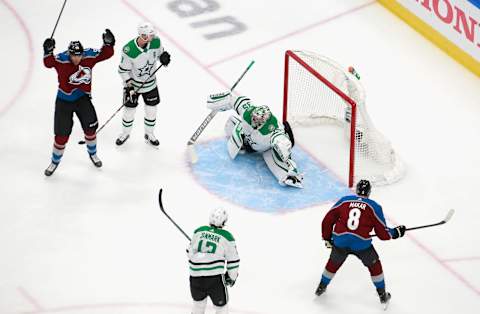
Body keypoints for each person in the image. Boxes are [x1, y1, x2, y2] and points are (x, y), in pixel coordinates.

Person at [315, 179, 406, 309]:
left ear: (356, 190)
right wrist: (396, 232)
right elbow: (383, 234)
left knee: (333, 263)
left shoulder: (344, 201)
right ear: (369, 192)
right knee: (375, 266)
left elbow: (327, 220)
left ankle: (321, 288)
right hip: (361, 244)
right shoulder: (374, 206)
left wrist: (327, 238)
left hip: (340, 240)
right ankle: (382, 296)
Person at [42, 29, 115, 176]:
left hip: (82, 98)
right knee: (61, 136)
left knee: (90, 128)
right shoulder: (62, 59)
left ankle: (93, 154)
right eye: (74, 55)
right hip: (64, 100)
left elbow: (105, 54)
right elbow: (48, 63)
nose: (77, 58)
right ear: (69, 53)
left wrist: (108, 43)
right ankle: (54, 162)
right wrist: (47, 50)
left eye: (79, 55)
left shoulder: (88, 56)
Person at [206, 92, 303, 188]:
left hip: (264, 147)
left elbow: (283, 145)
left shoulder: (272, 131)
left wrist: (291, 167)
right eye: (254, 119)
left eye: (258, 121)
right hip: (248, 139)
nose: (255, 122)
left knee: (271, 157)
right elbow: (232, 99)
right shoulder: (248, 111)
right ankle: (243, 143)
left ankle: (287, 176)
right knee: (230, 124)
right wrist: (217, 101)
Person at [116, 22, 171, 146]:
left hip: (150, 84)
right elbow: (123, 71)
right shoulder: (129, 50)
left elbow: (159, 55)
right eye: (150, 35)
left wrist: (163, 58)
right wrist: (129, 87)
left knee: (151, 110)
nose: (153, 37)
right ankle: (125, 133)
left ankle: (149, 134)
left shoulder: (156, 42)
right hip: (133, 86)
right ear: (143, 36)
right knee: (129, 111)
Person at [187, 209, 240, 314]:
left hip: (195, 277)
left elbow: (189, 252)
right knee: (221, 308)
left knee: (198, 306)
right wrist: (231, 277)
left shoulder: (199, 231)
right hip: (214, 279)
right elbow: (233, 261)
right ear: (224, 222)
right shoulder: (227, 236)